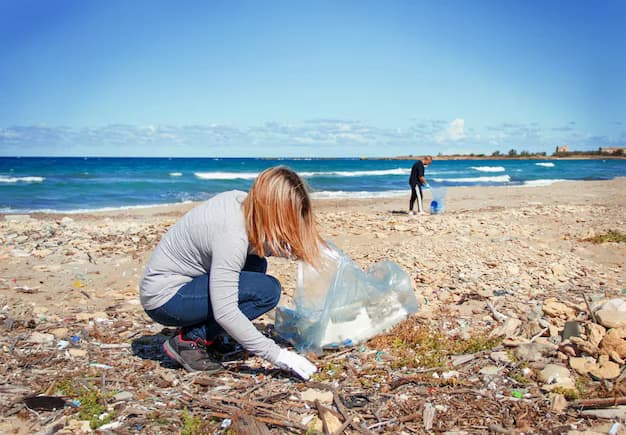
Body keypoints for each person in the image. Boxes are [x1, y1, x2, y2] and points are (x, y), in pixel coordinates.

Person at [139, 166, 323, 380]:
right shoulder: (232, 235)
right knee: (267, 291)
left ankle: (207, 334)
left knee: (256, 263)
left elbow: (257, 245)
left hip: (184, 286)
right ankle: (188, 341)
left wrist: (298, 251)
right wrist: (279, 356)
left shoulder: (241, 202)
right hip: (165, 298)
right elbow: (225, 311)